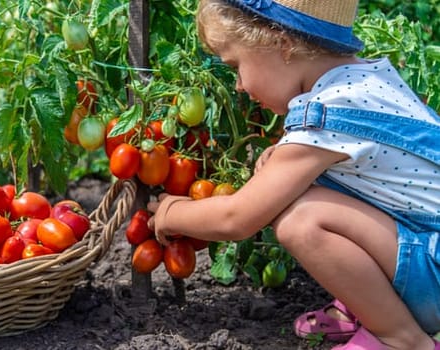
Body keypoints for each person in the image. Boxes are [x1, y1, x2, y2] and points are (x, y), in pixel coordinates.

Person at [148, 0, 440, 349]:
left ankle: (400, 337)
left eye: (236, 66)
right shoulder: (367, 81)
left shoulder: (327, 111)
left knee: (301, 220)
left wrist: (172, 213)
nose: (239, 85)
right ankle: (370, 307)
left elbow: (237, 217)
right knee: (307, 194)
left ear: (281, 44)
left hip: (433, 271)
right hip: (428, 250)